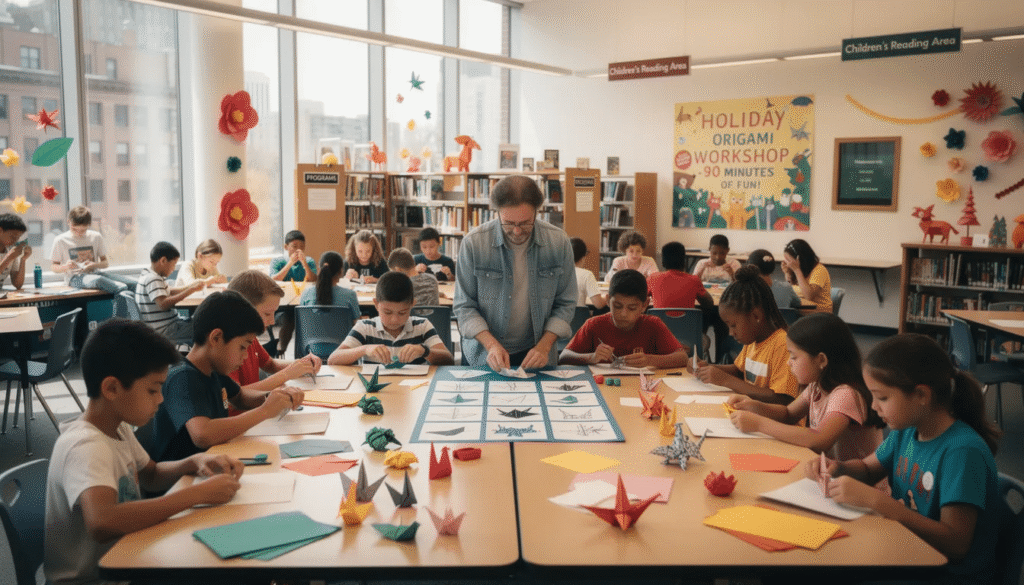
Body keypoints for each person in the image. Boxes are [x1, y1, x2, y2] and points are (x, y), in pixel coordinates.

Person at [44, 320, 243, 585]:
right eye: (153, 389)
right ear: (112, 388)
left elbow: (150, 474)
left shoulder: (117, 427)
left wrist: (194, 461)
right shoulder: (85, 445)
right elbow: (102, 521)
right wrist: (194, 494)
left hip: (132, 557)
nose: (160, 399)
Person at [807, 334, 1001, 585]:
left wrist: (880, 503)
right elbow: (867, 469)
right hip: (907, 551)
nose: (874, 407)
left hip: (947, 575)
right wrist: (837, 468)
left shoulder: (962, 452)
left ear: (921, 395)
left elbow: (956, 544)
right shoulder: (907, 430)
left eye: (883, 398)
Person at [138, 291, 304, 462]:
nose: (246, 356)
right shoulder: (182, 377)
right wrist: (265, 411)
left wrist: (275, 398)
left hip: (213, 465)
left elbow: (240, 397)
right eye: (242, 347)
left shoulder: (214, 372)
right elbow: (202, 434)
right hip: (181, 481)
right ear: (216, 338)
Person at [454, 174, 576, 370]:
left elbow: (566, 303)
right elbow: (464, 306)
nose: (517, 231)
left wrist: (544, 347)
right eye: (509, 223)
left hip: (537, 353)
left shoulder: (558, 242)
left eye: (525, 223)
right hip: (484, 354)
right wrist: (491, 345)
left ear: (537, 212)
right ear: (497, 213)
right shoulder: (474, 243)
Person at [726, 313, 885, 462]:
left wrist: (758, 424)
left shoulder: (846, 394)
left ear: (821, 360)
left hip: (855, 488)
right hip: (829, 478)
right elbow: (788, 414)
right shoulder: (817, 385)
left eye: (794, 356)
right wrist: (753, 406)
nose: (789, 363)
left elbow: (819, 440)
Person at [694, 265, 799, 403]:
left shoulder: (783, 345)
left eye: (733, 325)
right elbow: (739, 371)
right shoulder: (753, 340)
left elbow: (782, 399)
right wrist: (707, 368)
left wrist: (725, 380)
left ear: (756, 315)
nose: (731, 333)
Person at [560, 269, 689, 368]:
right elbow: (564, 357)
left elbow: (682, 358)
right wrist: (591, 357)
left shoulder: (653, 324)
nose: (623, 314)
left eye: (632, 308)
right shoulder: (594, 324)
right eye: (617, 306)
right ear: (608, 300)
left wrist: (649, 360)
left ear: (645, 305)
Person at [328, 271, 453, 366]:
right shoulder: (365, 327)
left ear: (412, 305)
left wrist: (424, 351)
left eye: (402, 312)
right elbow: (333, 360)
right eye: (387, 312)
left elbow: (449, 360)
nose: (394, 319)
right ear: (376, 304)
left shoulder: (422, 326)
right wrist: (364, 349)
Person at [228, 270, 324, 393]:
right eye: (267, 313)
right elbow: (236, 397)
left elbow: (270, 364)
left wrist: (302, 364)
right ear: (243, 308)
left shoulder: (249, 336)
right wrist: (287, 374)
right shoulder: (227, 346)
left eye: (274, 313)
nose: (273, 321)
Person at [49, 206, 136, 294]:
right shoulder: (60, 240)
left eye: (83, 230)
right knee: (117, 286)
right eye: (74, 229)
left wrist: (93, 265)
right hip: (74, 278)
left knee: (134, 284)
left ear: (89, 225)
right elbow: (53, 267)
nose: (78, 233)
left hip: (96, 273)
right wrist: (66, 267)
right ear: (68, 222)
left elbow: (105, 263)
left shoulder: (96, 237)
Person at [135, 241, 203, 340]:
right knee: (204, 326)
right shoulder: (153, 279)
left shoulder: (148, 275)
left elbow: (170, 291)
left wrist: (191, 287)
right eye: (174, 264)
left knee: (198, 320)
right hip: (166, 330)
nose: (174, 268)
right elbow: (163, 304)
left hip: (165, 326)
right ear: (163, 260)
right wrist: (190, 290)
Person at [269, 229, 317, 356]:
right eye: (294, 247)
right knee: (290, 318)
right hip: (284, 303)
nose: (298, 250)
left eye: (301, 247)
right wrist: (290, 263)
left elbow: (314, 279)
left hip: (303, 300)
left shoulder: (309, 261)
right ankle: (282, 350)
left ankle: (308, 351)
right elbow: (273, 280)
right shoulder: (278, 261)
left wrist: (304, 264)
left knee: (307, 317)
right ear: (286, 247)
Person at [648, 241, 713, 311]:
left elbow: (638, 297)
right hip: (687, 321)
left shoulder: (653, 278)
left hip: (659, 321)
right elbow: (709, 304)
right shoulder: (694, 280)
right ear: (684, 261)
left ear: (663, 262)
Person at [298, 251, 361, 319]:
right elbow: (356, 322)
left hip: (311, 329)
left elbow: (302, 319)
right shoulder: (350, 295)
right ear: (341, 272)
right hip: (341, 329)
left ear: (319, 270)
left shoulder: (306, 293)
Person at [782, 238, 832, 313]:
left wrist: (797, 270)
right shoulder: (802, 269)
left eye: (789, 260)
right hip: (805, 308)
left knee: (792, 302)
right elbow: (791, 290)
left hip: (821, 310)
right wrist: (787, 273)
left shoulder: (819, 270)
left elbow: (808, 296)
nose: (788, 264)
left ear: (799, 259)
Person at [570, 237, 606, 309]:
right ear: (583, 256)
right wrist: (606, 297)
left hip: (558, 318)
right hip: (578, 319)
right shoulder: (586, 275)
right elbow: (599, 304)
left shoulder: (556, 273)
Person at [0, 212, 30, 289]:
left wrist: (23, 259)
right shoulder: (10, 255)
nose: (15, 241)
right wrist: (8, 258)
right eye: (13, 237)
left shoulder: (10, 251)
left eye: (18, 238)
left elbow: (17, 284)